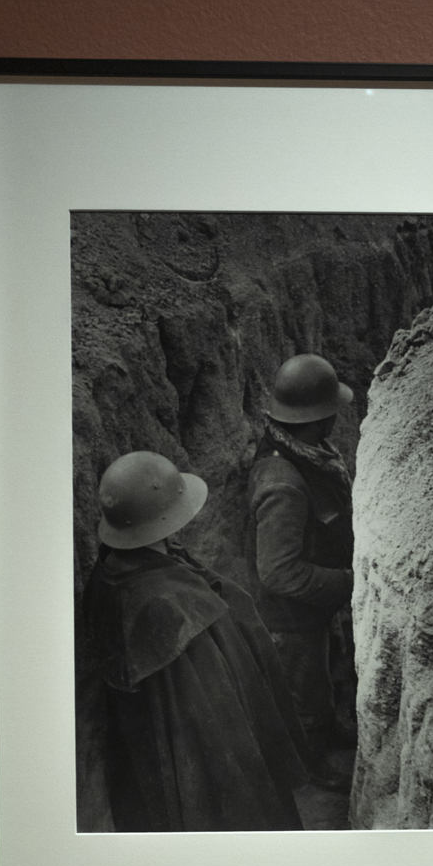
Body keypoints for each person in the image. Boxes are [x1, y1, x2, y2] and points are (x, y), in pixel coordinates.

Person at [83, 450, 308, 832]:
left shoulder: (107, 574)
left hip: (144, 762)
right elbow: (218, 730)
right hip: (196, 762)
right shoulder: (171, 609)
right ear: (166, 519)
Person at [247, 354, 356, 792]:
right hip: (287, 619)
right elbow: (278, 572)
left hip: (309, 609)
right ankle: (312, 766)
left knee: (321, 679)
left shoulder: (303, 452)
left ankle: (330, 733)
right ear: (320, 417)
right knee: (303, 697)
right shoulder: (284, 483)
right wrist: (351, 584)